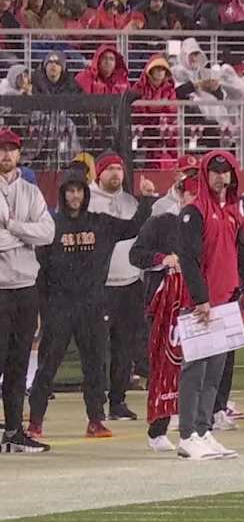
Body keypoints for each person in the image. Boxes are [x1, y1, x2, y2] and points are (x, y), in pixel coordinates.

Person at [27, 164, 152, 440]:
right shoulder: (52, 226)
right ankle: (35, 422)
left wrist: (145, 199)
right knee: (48, 366)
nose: (74, 197)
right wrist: (45, 309)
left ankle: (95, 420)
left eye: (79, 191)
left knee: (95, 366)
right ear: (62, 194)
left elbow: (134, 227)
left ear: (85, 193)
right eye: (70, 191)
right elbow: (41, 271)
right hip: (59, 308)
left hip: (93, 307)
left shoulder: (100, 223)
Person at [174, 151, 244, 460]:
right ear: (205, 174)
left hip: (226, 303)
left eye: (225, 171)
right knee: (195, 372)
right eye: (215, 171)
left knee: (214, 373)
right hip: (201, 305)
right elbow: (187, 259)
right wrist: (200, 297)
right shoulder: (194, 211)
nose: (220, 176)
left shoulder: (231, 214)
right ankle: (188, 435)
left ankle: (203, 430)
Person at [129, 175, 200, 452]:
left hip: (197, 302)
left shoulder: (209, 225)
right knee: (165, 364)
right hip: (163, 304)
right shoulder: (161, 222)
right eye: (191, 195)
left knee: (196, 365)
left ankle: (195, 425)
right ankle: (159, 427)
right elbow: (136, 254)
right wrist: (162, 260)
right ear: (181, 196)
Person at [89, 152, 158, 421]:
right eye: (110, 169)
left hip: (129, 283)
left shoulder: (131, 202)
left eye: (119, 168)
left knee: (124, 347)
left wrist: (147, 200)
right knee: (95, 348)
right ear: (99, 173)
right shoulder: (88, 201)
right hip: (100, 285)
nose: (116, 174)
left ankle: (117, 401)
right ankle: (95, 403)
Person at [0, 129, 55, 453]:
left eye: (11, 149)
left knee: (19, 362)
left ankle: (13, 431)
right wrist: (23, 237)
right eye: (2, 149)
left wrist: (15, 228)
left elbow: (47, 233)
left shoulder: (30, 192)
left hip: (24, 287)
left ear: (20, 154)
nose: (6, 155)